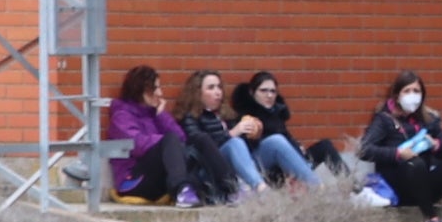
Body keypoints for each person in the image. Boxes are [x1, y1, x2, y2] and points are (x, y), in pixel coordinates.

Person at [360, 70, 442, 222]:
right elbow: (364, 150)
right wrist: (397, 153)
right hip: (399, 184)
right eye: (407, 91)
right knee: (415, 164)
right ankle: (431, 221)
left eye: (416, 91)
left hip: (425, 184)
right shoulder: (384, 120)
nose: (412, 95)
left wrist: (435, 144)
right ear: (397, 95)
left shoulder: (427, 120)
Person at [231, 72, 329, 183]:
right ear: (252, 92)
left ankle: (351, 189)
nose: (269, 95)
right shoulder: (246, 116)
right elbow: (245, 150)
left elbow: (288, 137)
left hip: (290, 162)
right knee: (276, 141)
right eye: (263, 91)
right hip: (267, 167)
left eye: (273, 91)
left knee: (325, 146)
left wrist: (297, 146)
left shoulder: (277, 113)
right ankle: (316, 186)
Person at [169, 70, 249, 205]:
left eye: (219, 87)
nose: (218, 92)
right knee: (233, 142)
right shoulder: (190, 116)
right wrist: (230, 134)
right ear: (197, 92)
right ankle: (237, 189)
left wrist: (253, 134)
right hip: (205, 169)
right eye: (211, 88)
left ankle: (253, 185)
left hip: (230, 166)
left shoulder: (226, 114)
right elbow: (199, 142)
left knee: (270, 141)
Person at [105, 64, 183, 201]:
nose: (160, 93)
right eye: (154, 88)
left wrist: (162, 116)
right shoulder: (121, 116)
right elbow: (138, 145)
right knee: (169, 140)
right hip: (132, 181)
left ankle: (226, 188)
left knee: (200, 140)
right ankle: (182, 189)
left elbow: (181, 140)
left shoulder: (153, 115)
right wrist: (165, 142)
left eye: (159, 87)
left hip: (155, 179)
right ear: (139, 89)